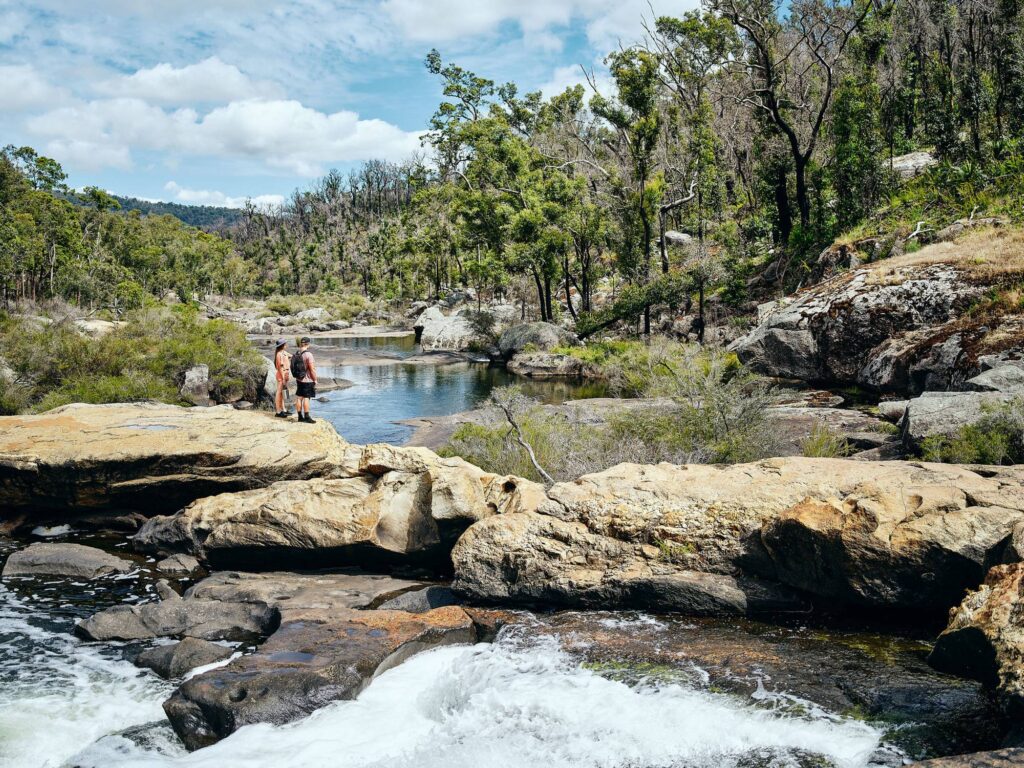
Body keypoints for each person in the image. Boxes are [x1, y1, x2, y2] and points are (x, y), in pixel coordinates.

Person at [290, 336, 317, 424]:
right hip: (307, 380)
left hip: (299, 379)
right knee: (306, 398)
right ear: (308, 344)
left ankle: (300, 416)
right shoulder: (308, 354)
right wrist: (315, 379)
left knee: (299, 397)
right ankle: (307, 417)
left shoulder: (298, 353)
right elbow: (312, 369)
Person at [273, 339, 291, 418]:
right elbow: (280, 368)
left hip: (286, 374)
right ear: (282, 345)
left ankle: (284, 409)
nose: (286, 345)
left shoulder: (284, 353)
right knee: (279, 393)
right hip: (281, 375)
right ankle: (278, 411)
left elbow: (291, 356)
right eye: (285, 344)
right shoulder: (279, 354)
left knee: (284, 392)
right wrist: (283, 378)